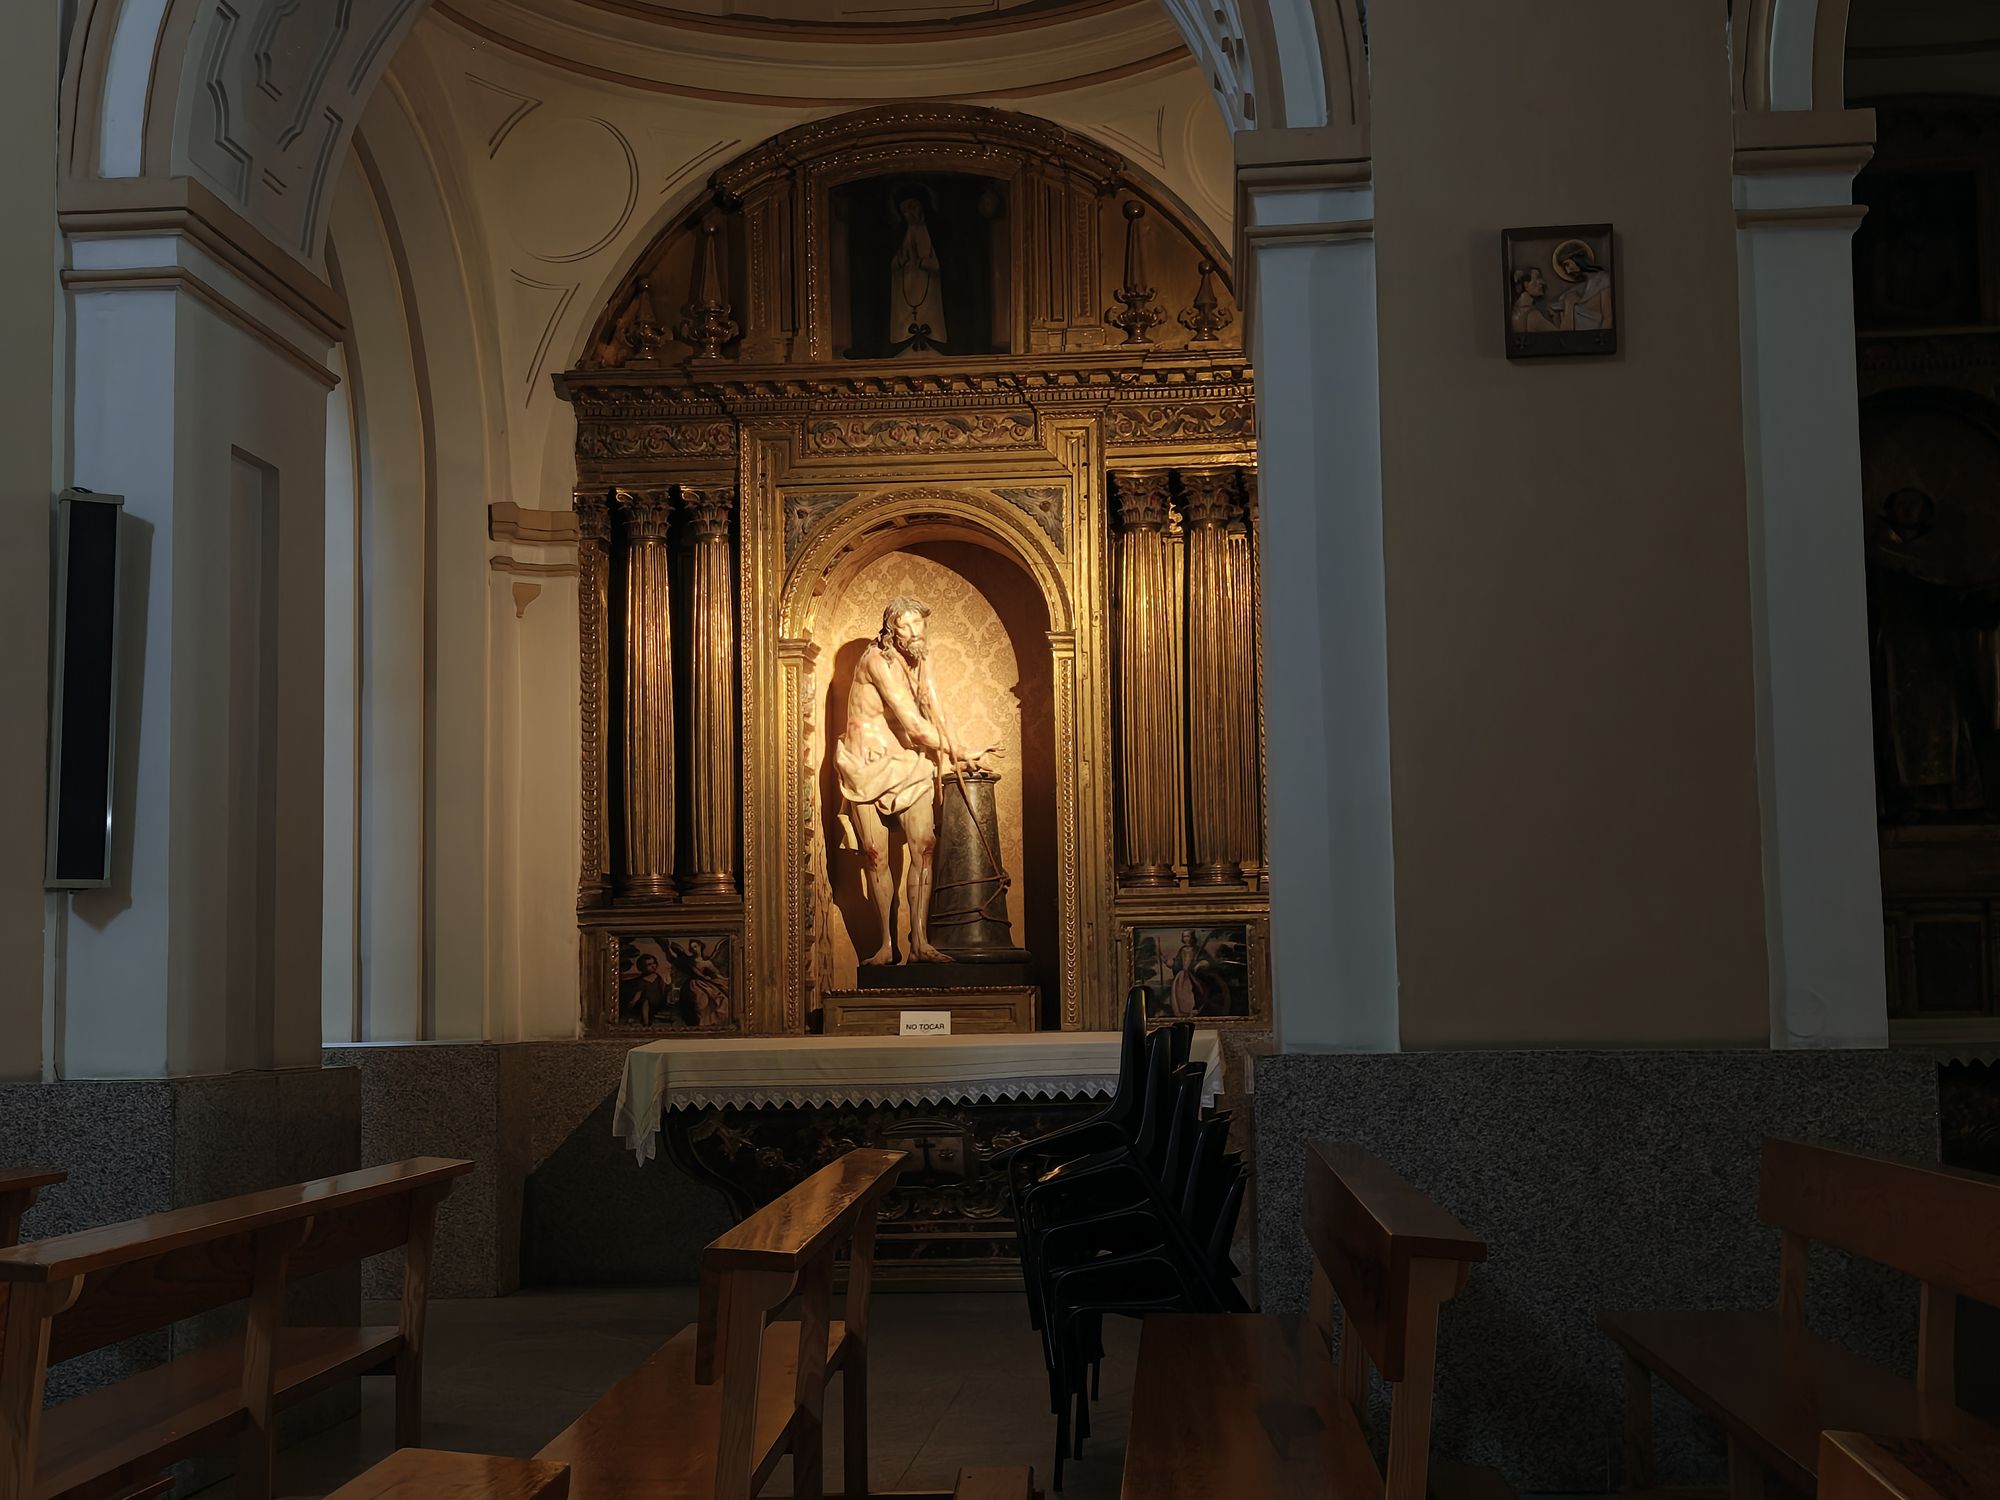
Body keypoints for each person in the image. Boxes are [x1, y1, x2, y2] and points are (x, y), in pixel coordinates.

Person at [837, 596, 997, 964]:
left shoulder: (921, 657)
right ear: (891, 629)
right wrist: (959, 751)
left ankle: (920, 944)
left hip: (907, 762)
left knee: (924, 848)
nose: (912, 632)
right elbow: (911, 722)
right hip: (867, 763)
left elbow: (935, 709)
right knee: (876, 856)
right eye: (904, 626)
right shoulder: (876, 660)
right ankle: (884, 947)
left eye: (917, 624)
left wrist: (958, 748)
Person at [888, 192, 948, 352]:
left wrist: (923, 262)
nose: (910, 214)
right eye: (905, 211)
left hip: (930, 291)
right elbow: (890, 263)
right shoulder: (900, 232)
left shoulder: (936, 230)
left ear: (923, 205)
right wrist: (902, 260)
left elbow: (947, 263)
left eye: (913, 207)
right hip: (904, 290)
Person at [670, 939, 731, 1027]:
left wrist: (726, 979)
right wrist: (704, 977)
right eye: (692, 948)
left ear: (700, 946)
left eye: (695, 946)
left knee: (721, 999)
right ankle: (700, 1024)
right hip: (693, 985)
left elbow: (716, 974)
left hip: (706, 983)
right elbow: (696, 973)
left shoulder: (707, 963)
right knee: (700, 1002)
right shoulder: (690, 961)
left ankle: (711, 1023)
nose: (694, 949)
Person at [621, 951, 673, 1025]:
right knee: (646, 1001)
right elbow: (639, 992)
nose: (653, 966)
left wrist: (668, 991)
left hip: (658, 1000)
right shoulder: (642, 980)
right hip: (647, 1002)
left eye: (654, 963)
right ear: (643, 967)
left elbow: (663, 987)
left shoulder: (657, 977)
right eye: (649, 964)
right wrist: (634, 1000)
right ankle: (646, 1022)